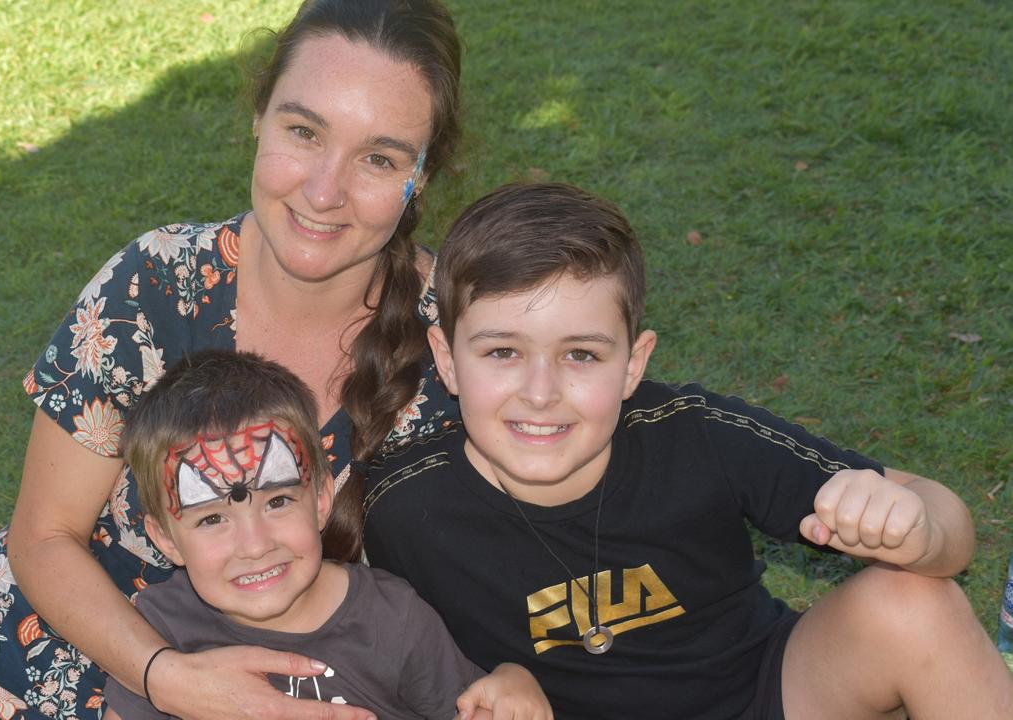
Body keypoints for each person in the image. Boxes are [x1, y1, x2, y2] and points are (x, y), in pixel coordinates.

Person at [0, 2, 466, 719]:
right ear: (257, 118)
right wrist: (166, 678)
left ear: (422, 174)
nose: (323, 190)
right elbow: (45, 535)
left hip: (286, 681)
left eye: (377, 157)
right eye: (303, 131)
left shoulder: (464, 339)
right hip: (59, 633)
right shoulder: (154, 284)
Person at [362, 182, 1013, 719]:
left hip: (765, 693)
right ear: (445, 360)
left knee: (912, 601)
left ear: (631, 363)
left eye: (580, 354)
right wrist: (496, 681)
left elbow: (947, 522)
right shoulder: (402, 505)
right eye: (502, 352)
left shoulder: (692, 432)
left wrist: (917, 531)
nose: (540, 392)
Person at [99, 349, 549, 720]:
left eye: (277, 502)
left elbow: (477, 706)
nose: (255, 545)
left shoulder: (392, 620)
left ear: (319, 500)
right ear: (166, 540)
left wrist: (511, 680)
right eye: (212, 519)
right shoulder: (160, 631)